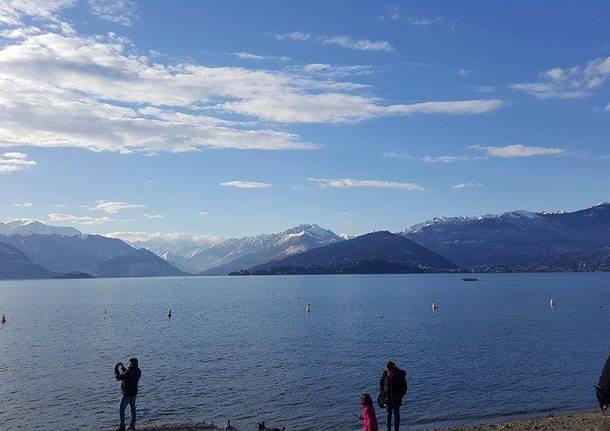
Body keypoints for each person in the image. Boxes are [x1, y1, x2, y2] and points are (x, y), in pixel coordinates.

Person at [379, 361, 407, 431]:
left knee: (396, 415)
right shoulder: (385, 373)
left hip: (396, 399)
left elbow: (404, 388)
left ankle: (396, 429)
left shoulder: (399, 375)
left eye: (386, 368)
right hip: (387, 399)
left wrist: (399, 396)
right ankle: (388, 429)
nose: (385, 369)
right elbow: (381, 384)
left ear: (391, 368)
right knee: (388, 415)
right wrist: (383, 395)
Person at [114, 358, 141, 431]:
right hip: (134, 393)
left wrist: (116, 368)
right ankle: (132, 426)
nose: (128, 364)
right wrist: (122, 367)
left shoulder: (129, 371)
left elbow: (118, 377)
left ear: (132, 364)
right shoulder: (138, 370)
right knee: (133, 409)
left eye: (129, 363)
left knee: (121, 409)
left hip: (127, 394)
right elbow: (127, 374)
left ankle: (122, 427)